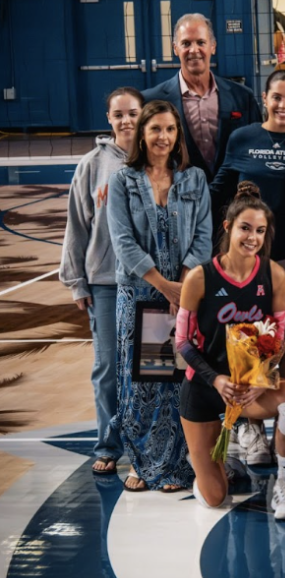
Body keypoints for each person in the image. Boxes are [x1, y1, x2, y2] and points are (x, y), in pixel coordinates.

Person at [175, 183, 285, 518]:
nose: (253, 238)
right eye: (245, 228)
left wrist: (262, 380)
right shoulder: (199, 277)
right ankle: (212, 459)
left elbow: (277, 340)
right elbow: (181, 344)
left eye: (260, 231)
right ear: (228, 227)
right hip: (206, 389)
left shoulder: (273, 274)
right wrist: (216, 380)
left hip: (250, 388)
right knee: (216, 497)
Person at [211, 69, 285, 455]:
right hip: (246, 257)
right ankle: (251, 424)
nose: (283, 105)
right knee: (246, 340)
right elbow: (219, 189)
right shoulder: (242, 138)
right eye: (277, 97)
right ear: (265, 98)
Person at [107, 100, 212, 491]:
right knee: (144, 382)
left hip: (184, 293)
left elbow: (203, 236)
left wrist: (183, 288)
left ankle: (177, 465)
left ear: (177, 135)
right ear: (141, 134)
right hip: (142, 294)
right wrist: (163, 285)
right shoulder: (123, 182)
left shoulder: (194, 180)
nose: (163, 137)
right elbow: (123, 241)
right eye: (155, 130)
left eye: (170, 130)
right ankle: (142, 464)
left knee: (176, 379)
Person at [61, 87, 144, 475]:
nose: (126, 121)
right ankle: (108, 444)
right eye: (119, 115)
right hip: (106, 282)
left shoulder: (158, 160)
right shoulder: (92, 165)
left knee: (150, 367)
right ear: (108, 119)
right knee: (108, 366)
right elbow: (76, 226)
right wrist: (77, 281)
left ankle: (148, 442)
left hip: (149, 282)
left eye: (133, 113)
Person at [142, 14, 261, 181]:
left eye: (200, 42)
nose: (194, 50)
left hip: (233, 200)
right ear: (175, 48)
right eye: (186, 43)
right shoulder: (151, 101)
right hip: (178, 200)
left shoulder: (242, 97)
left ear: (213, 46)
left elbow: (257, 149)